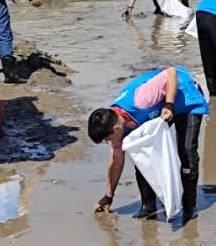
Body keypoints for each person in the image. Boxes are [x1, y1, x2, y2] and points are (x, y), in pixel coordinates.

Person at [87, 66, 209, 225]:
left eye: (108, 139)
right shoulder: (113, 125)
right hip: (161, 107)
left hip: (184, 96)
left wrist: (169, 105)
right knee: (140, 152)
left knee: (186, 152)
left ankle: (189, 205)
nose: (109, 142)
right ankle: (148, 205)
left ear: (116, 128)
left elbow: (171, 72)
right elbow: (116, 162)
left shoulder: (141, 99)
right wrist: (108, 196)